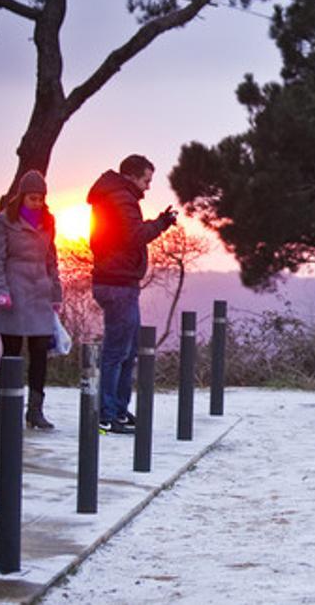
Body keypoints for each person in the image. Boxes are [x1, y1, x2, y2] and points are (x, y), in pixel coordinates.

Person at [87, 154, 176, 434]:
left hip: (119, 282)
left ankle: (118, 410)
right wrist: (161, 224)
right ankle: (107, 414)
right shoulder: (120, 197)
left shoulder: (116, 195)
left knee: (128, 348)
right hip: (117, 283)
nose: (148, 187)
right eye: (146, 180)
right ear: (132, 176)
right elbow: (133, 235)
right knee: (117, 351)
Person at [0, 170, 62, 429]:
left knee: (40, 352)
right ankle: (5, 406)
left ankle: (35, 409)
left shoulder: (49, 222)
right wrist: (0, 290)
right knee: (12, 352)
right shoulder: (3, 221)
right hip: (13, 292)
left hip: (40, 290)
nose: (37, 203)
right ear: (22, 197)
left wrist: (56, 293)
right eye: (32, 198)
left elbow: (52, 260)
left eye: (41, 198)